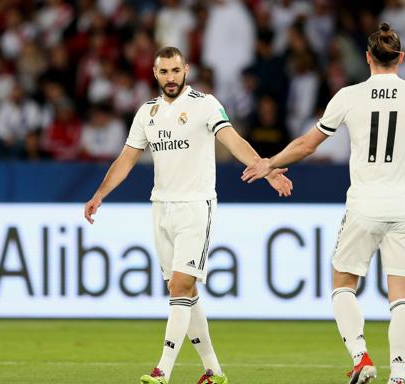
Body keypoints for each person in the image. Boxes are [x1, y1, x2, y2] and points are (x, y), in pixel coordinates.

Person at [242, 23, 405, 384]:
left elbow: (307, 144)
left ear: (367, 58)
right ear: (401, 58)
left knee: (342, 285)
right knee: (402, 297)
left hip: (364, 205)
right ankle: (399, 378)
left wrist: (269, 161)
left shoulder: (349, 95)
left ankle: (361, 358)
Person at [84, 47, 292, 384]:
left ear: (187, 70)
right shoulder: (146, 113)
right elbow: (125, 159)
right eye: (164, 72)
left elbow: (233, 140)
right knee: (185, 291)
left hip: (196, 207)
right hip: (160, 207)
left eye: (176, 71)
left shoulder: (204, 104)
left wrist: (266, 170)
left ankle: (162, 369)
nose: (170, 78)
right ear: (155, 73)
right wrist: (99, 195)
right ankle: (214, 370)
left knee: (181, 284)